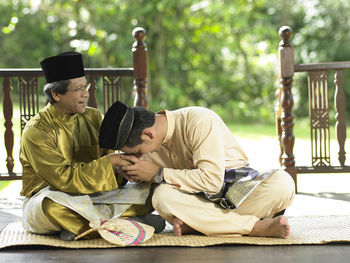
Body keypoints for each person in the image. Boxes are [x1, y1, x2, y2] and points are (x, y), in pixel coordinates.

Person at [19, 51, 164, 241]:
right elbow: (65, 180)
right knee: (49, 207)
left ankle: (83, 229)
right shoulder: (37, 131)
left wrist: (126, 169)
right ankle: (127, 224)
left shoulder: (92, 117)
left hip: (95, 197)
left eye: (85, 86)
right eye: (78, 89)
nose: (86, 93)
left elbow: (110, 170)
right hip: (56, 197)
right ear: (56, 94)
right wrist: (111, 161)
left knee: (152, 189)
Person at [99, 100, 295, 238]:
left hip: (240, 191)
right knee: (163, 197)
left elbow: (212, 181)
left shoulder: (200, 119)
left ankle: (201, 225)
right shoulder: (148, 148)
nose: (138, 157)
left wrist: (158, 173)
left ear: (148, 134)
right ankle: (254, 227)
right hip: (198, 201)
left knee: (283, 184)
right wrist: (131, 174)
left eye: (137, 151)